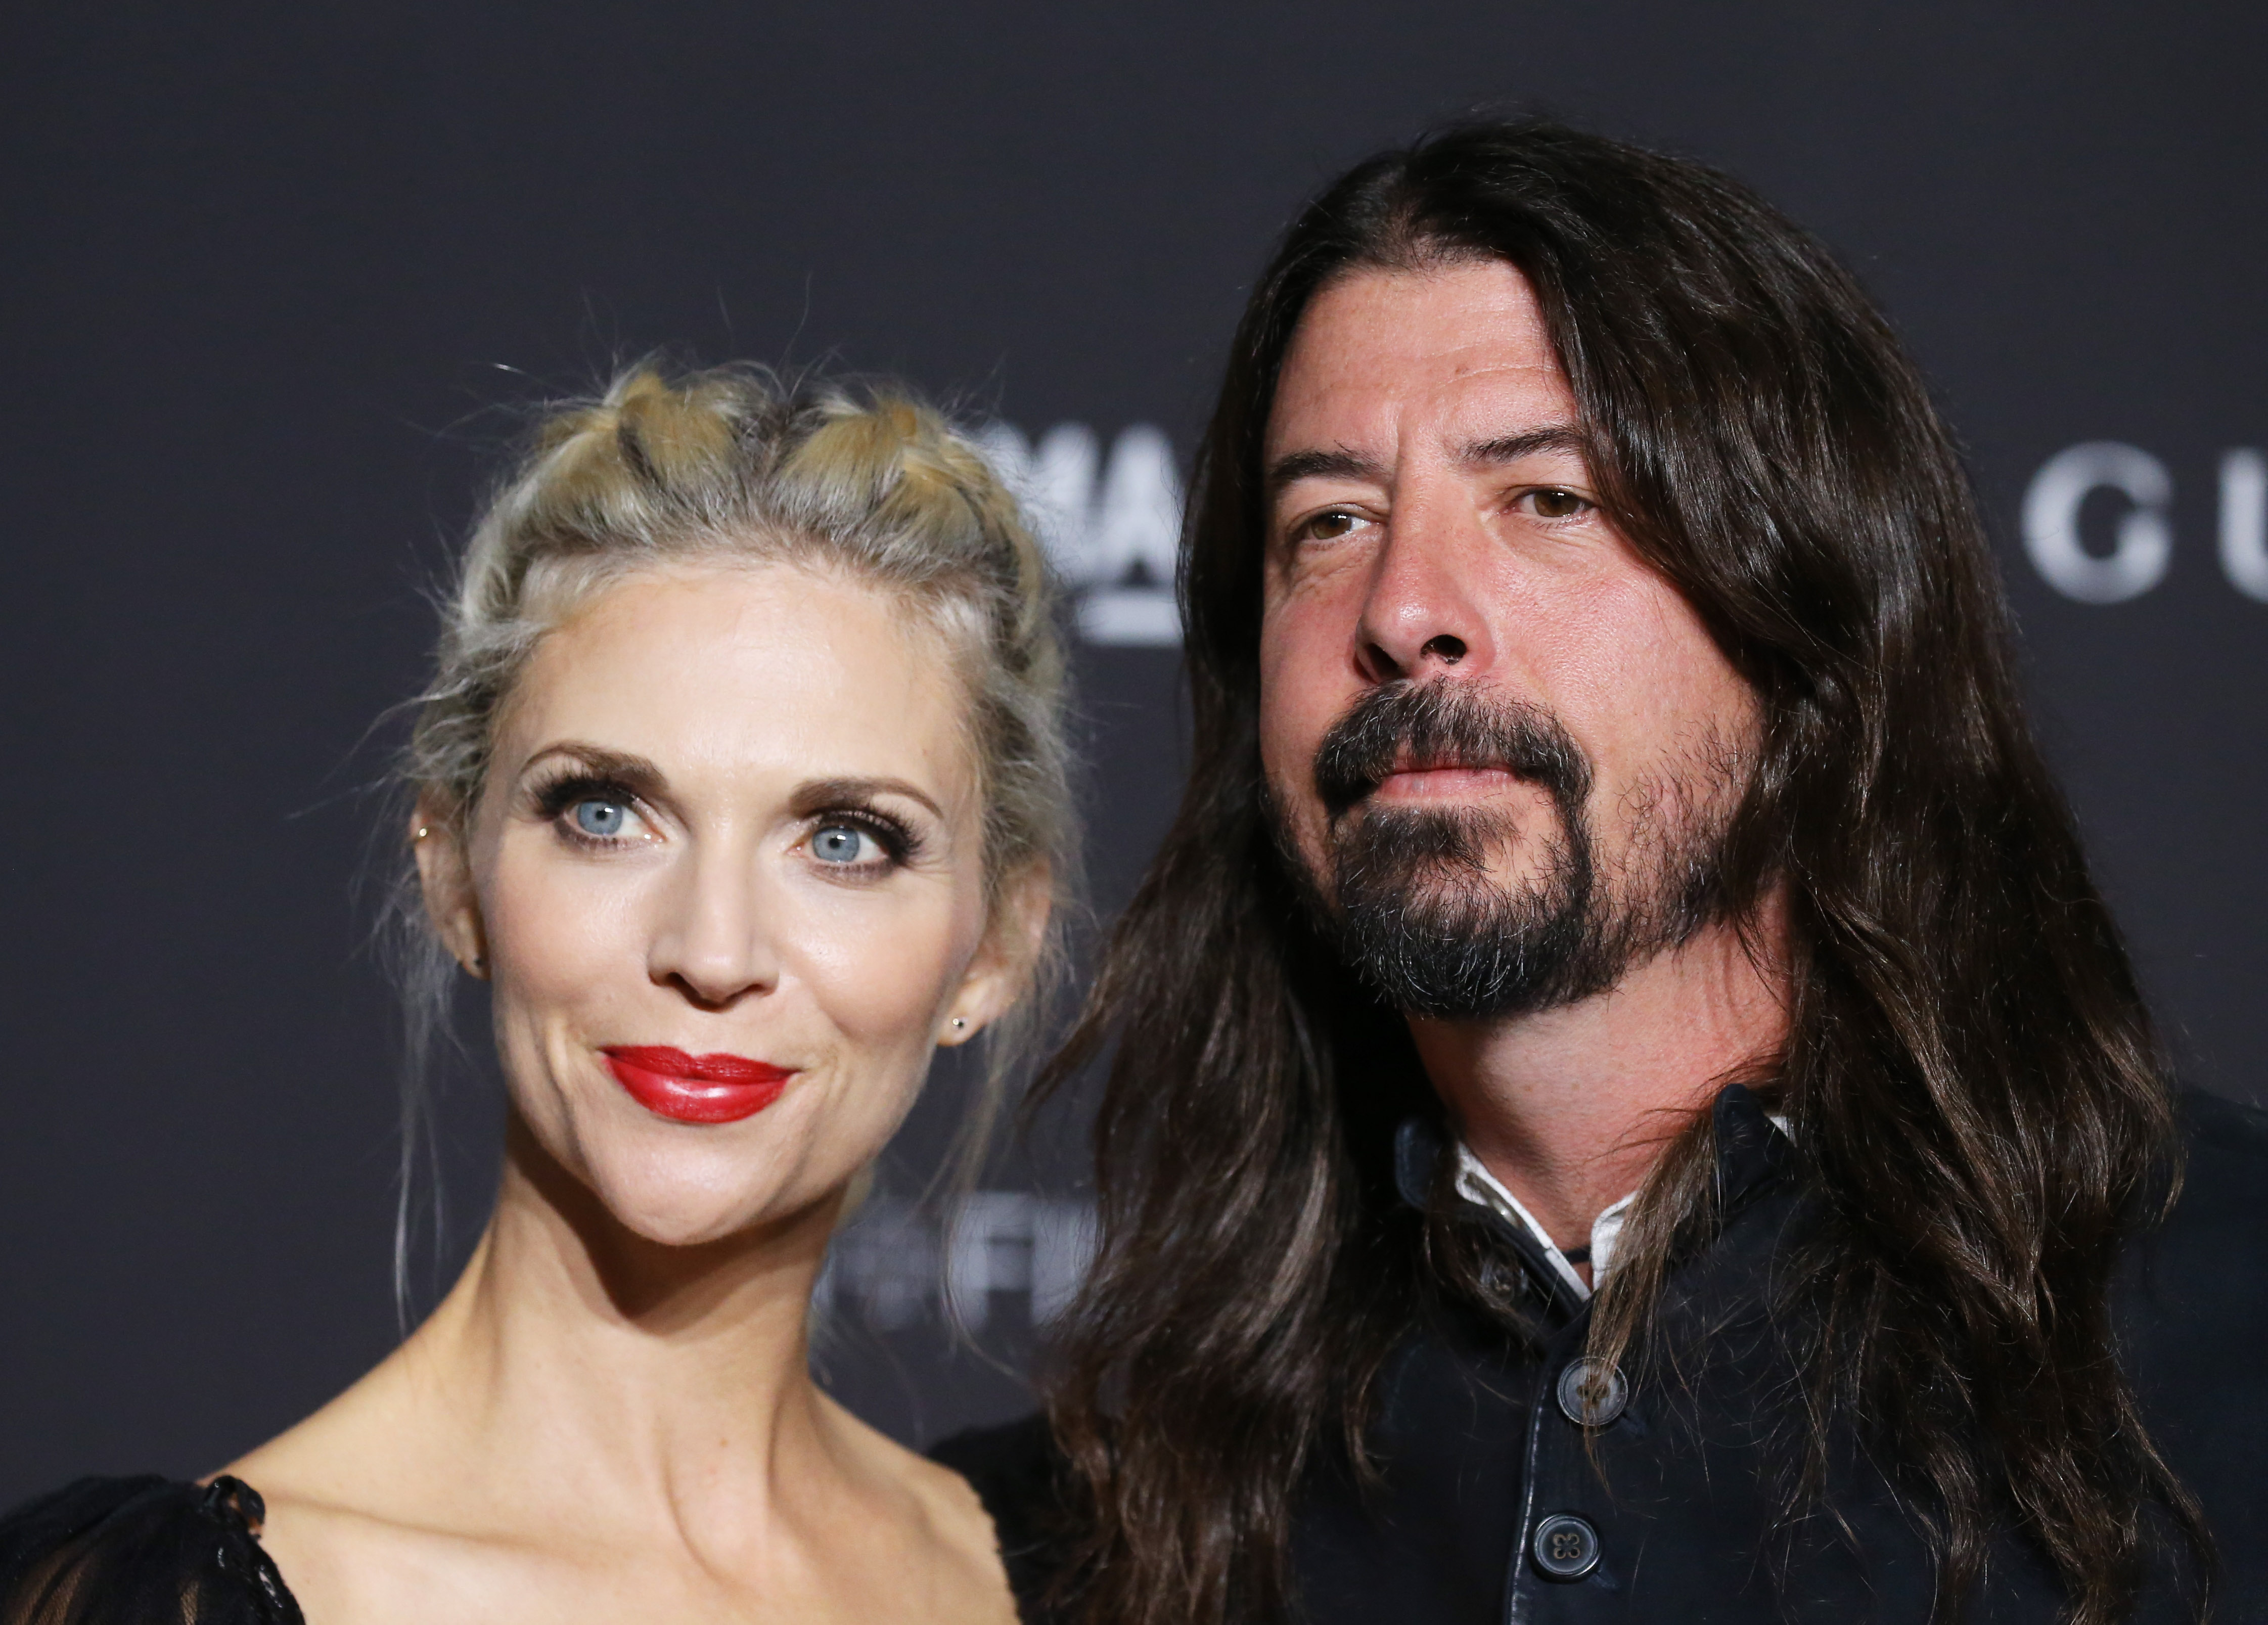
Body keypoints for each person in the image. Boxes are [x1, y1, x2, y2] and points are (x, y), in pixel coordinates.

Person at [935, 119, 2268, 1624]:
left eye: (1546, 499)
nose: (1403, 608)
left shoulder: (2228, 1320)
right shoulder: (1088, 1518)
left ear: (1803, 607)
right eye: (1329, 522)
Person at [2, 364, 1072, 1624]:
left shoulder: (1090, 1577)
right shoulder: (148, 1605)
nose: (712, 950)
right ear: (455, 871)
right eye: (606, 813)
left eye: (843, 838)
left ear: (995, 944)